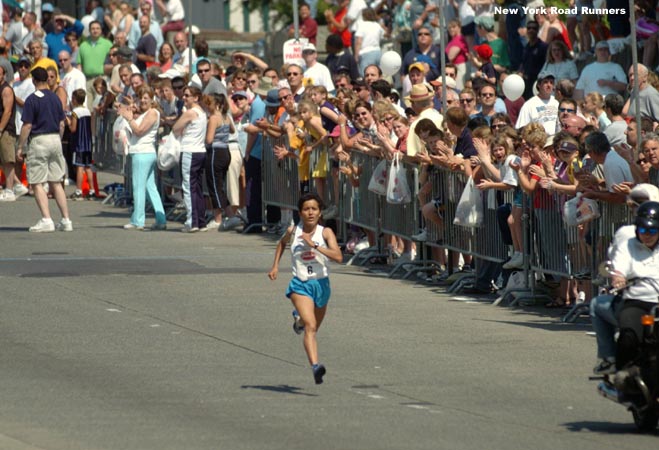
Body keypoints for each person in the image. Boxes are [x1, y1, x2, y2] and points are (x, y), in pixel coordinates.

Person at [267, 192, 343, 385]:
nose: (310, 213)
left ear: (320, 213)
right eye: (306, 209)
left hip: (321, 284)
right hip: (300, 284)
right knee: (311, 326)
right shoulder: (293, 231)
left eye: (314, 209)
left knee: (312, 325)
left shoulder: (325, 233)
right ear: (300, 212)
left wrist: (315, 246)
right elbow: (281, 244)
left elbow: (338, 257)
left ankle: (298, 321)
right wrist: (275, 266)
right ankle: (316, 366)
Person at [591, 196, 659, 374]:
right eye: (643, 229)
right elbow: (619, 267)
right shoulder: (628, 245)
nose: (647, 234)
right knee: (629, 335)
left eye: (653, 230)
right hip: (637, 301)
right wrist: (618, 277)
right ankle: (622, 371)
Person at [16, 67, 72, 233]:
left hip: (39, 139)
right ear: (47, 80)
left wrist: (20, 146)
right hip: (55, 138)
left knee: (37, 181)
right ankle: (66, 219)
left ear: (34, 80)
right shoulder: (55, 98)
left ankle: (47, 219)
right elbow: (62, 122)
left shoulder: (32, 99)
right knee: (56, 181)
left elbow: (27, 125)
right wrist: (58, 138)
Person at [117, 86, 167, 230]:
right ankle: (161, 218)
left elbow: (139, 131)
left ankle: (138, 220)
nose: (143, 101)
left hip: (142, 153)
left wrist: (129, 118)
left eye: (146, 98)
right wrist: (127, 111)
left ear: (152, 100)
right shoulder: (146, 113)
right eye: (141, 98)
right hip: (144, 152)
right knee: (150, 187)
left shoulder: (152, 113)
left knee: (138, 187)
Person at [172, 86, 207, 233]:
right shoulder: (202, 112)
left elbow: (175, 128)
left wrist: (182, 116)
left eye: (187, 95)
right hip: (199, 150)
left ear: (196, 97)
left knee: (189, 186)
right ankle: (200, 220)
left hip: (190, 151)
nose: (184, 98)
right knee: (197, 187)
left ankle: (192, 221)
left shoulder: (191, 112)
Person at [204, 93, 237, 230]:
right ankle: (230, 215)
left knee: (214, 186)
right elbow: (232, 130)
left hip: (215, 153)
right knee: (220, 185)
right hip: (225, 151)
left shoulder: (213, 118)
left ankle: (218, 218)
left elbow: (209, 140)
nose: (207, 106)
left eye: (209, 103)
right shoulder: (227, 117)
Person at [66, 89, 94, 201]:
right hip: (88, 143)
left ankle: (79, 191)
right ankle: (92, 190)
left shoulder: (75, 112)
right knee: (88, 167)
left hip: (79, 143)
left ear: (74, 99)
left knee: (79, 167)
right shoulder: (87, 111)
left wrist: (68, 121)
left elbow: (73, 128)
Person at [0, 65, 18, 202]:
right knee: (3, 160)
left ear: (4, 75)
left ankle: (10, 190)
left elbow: (7, 111)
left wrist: (0, 129)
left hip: (6, 129)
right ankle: (16, 186)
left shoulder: (6, 89)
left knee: (8, 160)